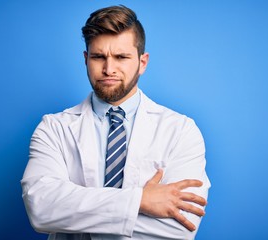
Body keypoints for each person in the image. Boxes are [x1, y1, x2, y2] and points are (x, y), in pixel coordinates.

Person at [21, 5, 210, 240]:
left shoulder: (181, 130)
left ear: (142, 62)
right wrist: (141, 200)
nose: (109, 69)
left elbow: (181, 227)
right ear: (85, 59)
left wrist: (77, 213)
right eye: (98, 57)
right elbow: (42, 209)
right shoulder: (54, 128)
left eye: (121, 57)